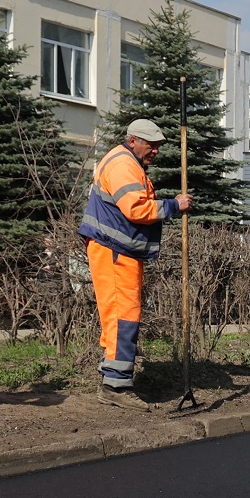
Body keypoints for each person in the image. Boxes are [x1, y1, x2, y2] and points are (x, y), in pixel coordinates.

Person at [79, 119, 192, 410]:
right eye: (150, 144)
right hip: (114, 251)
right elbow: (136, 208)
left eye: (158, 146)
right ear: (133, 141)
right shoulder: (123, 165)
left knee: (118, 315)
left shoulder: (125, 162)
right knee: (123, 316)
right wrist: (173, 205)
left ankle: (112, 376)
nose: (155, 150)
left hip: (116, 251)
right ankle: (115, 386)